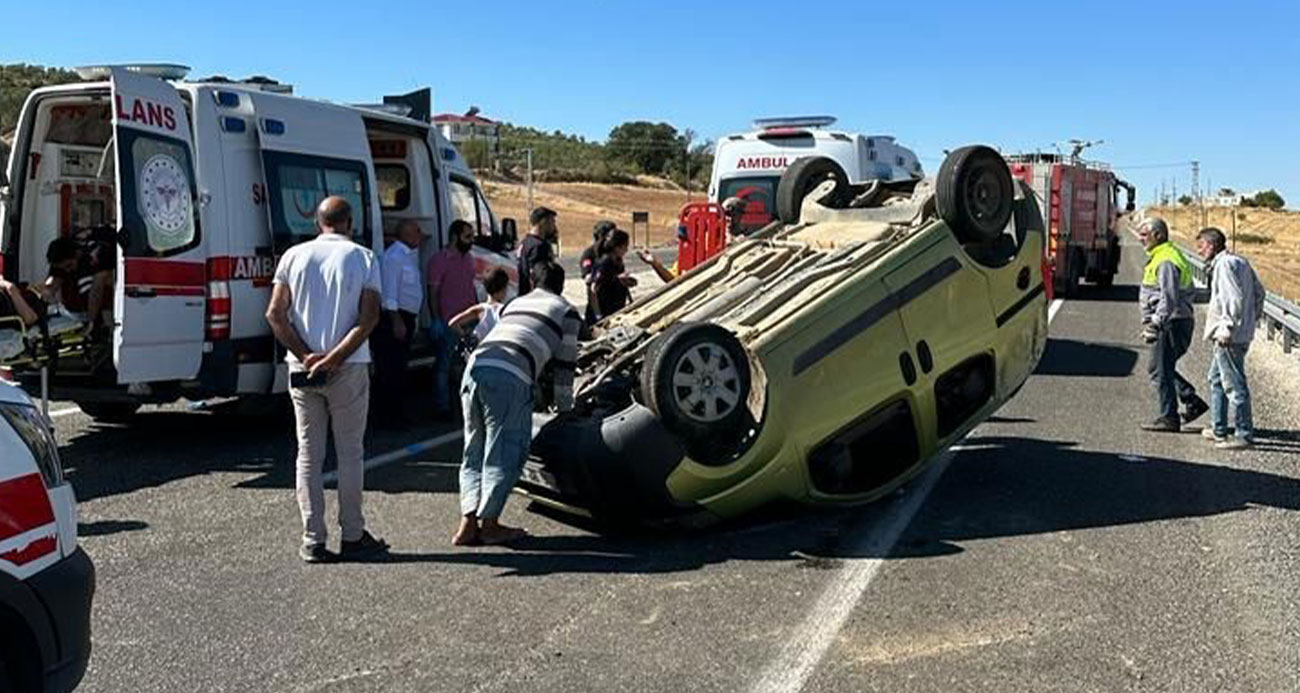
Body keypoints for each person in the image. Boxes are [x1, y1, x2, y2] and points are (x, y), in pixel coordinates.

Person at [266, 196, 388, 563]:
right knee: (350, 452)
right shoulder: (364, 257)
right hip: (347, 367)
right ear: (350, 222)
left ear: (318, 223)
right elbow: (369, 318)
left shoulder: (293, 256)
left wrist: (306, 356)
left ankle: (312, 539)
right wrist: (335, 357)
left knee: (308, 454)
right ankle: (352, 534)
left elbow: (275, 314)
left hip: (302, 368)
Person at [453, 261, 581, 546]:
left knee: (474, 449)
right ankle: (490, 525)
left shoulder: (515, 303)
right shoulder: (567, 311)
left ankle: (468, 522)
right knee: (504, 450)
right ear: (561, 286)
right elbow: (565, 366)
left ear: (533, 283)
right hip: (509, 376)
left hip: (475, 367)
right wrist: (565, 410)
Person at [1195, 227, 1265, 450]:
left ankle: (1243, 434)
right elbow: (1259, 293)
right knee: (1216, 379)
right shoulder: (1240, 261)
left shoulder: (1224, 265)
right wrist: (1250, 319)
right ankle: (1219, 428)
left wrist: (1227, 327)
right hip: (1240, 332)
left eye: (1201, 246)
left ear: (1211, 245)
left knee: (1234, 384)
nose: (1199, 251)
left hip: (1229, 336)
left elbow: (1231, 298)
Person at [1137, 216, 1207, 432]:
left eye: (1144, 234)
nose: (1140, 239)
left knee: (1159, 369)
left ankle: (1169, 417)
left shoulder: (1166, 260)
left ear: (1158, 235)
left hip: (1172, 323)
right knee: (1160, 368)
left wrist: (1155, 323)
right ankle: (1191, 401)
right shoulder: (1162, 255)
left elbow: (1169, 298)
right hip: (1174, 321)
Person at [372, 220, 424, 426]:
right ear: (406, 234)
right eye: (417, 231)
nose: (420, 235)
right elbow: (389, 292)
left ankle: (396, 414)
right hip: (395, 318)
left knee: (399, 367)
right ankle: (389, 416)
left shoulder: (407, 256)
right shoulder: (394, 257)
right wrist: (396, 320)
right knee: (391, 368)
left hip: (405, 317)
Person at [426, 219, 479, 418]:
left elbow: (470, 287)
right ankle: (442, 407)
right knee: (444, 365)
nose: (471, 240)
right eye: (467, 236)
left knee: (466, 364)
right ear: (455, 237)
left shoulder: (469, 259)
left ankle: (466, 404)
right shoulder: (439, 260)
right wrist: (436, 319)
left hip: (470, 320)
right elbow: (433, 292)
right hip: (449, 321)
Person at [44, 232, 114, 333]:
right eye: (63, 268)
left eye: (69, 265)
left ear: (77, 254)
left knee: (102, 285)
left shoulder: (98, 254)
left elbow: (96, 291)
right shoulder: (61, 260)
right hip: (79, 310)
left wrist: (90, 323)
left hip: (107, 299)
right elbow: (50, 286)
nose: (67, 270)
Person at [587, 228, 637, 323]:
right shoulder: (604, 263)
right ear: (616, 247)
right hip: (603, 314)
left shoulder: (618, 262)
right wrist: (598, 316)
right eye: (625, 246)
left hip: (615, 311)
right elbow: (594, 288)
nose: (627, 250)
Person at [448, 267, 510, 343]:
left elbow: (453, 323)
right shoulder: (506, 310)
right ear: (503, 289)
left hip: (481, 347)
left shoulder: (480, 309)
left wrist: (465, 335)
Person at [516, 206, 558, 295]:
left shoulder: (525, 243)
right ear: (543, 222)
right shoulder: (539, 246)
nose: (554, 227)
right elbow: (538, 274)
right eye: (552, 222)